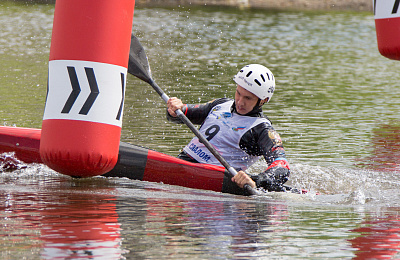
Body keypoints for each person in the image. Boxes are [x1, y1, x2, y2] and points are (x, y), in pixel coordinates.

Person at [166, 64, 290, 193]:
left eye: (248, 98)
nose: (240, 102)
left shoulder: (262, 129)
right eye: (238, 93)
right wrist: (175, 109)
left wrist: (256, 181)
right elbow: (182, 114)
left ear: (263, 100)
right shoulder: (220, 104)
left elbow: (282, 166)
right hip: (182, 163)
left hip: (216, 181)